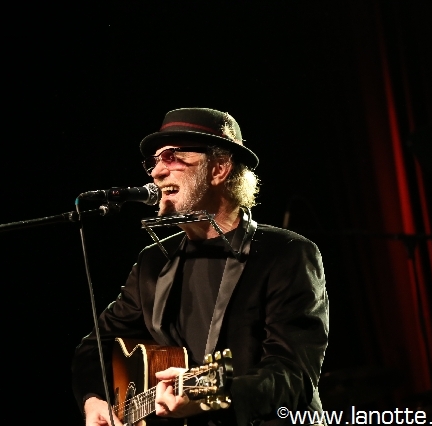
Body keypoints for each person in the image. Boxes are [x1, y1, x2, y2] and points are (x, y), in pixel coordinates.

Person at [72, 108, 329, 426]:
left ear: (219, 168)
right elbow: (94, 347)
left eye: (171, 157)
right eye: (154, 161)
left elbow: (293, 375)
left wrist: (212, 395)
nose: (156, 172)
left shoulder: (286, 253)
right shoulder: (154, 262)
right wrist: (93, 400)